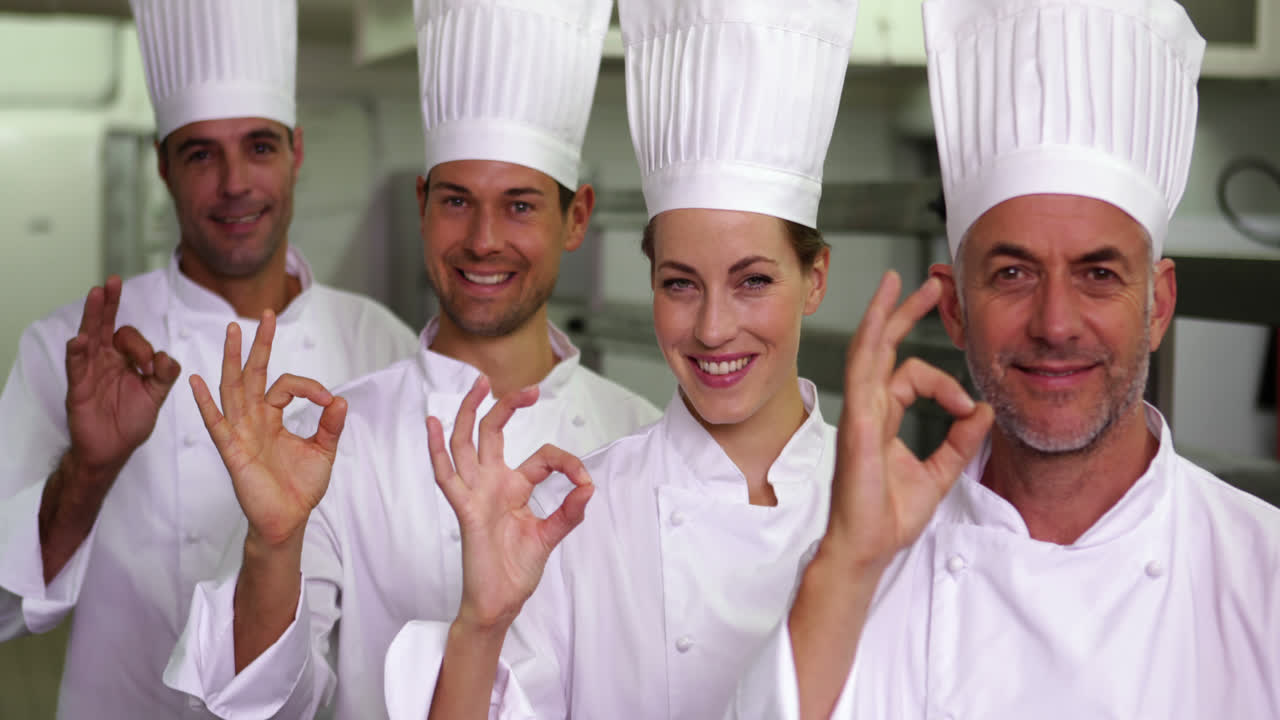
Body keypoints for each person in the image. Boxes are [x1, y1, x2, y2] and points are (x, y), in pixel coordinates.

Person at [724, 0, 1280, 717]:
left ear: (1159, 306)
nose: (1055, 323)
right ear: (953, 307)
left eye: (1099, 274)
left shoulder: (1262, 576)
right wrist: (847, 563)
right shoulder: (858, 574)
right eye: (1013, 273)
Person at [161, 1, 661, 718]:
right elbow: (266, 703)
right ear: (423, 204)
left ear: (576, 217)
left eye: (519, 205)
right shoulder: (336, 435)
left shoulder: (638, 439)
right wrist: (274, 545)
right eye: (458, 200)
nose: (483, 239)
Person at [378, 1, 868, 717]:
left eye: (753, 280)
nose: (711, 328)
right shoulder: (575, 514)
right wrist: (482, 621)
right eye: (680, 284)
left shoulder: (890, 511)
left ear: (815, 278)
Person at [0, 0, 419, 717]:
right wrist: (90, 472)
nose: (233, 184)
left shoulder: (381, 345)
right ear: (163, 165)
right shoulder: (74, 348)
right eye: (200, 153)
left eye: (259, 146)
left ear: (297, 151)